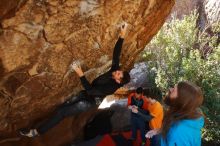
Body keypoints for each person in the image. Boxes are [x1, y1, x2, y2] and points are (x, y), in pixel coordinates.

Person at [20, 23, 131, 137]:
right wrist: (122, 35)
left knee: (62, 112)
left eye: (118, 74)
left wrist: (80, 74)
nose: (117, 71)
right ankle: (44, 125)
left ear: (118, 81)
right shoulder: (115, 71)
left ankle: (36, 132)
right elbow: (116, 54)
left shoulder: (110, 88)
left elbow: (91, 91)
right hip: (85, 94)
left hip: (89, 102)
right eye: (119, 71)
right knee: (62, 108)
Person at [146, 81, 204, 146]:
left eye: (173, 90)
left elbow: (177, 133)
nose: (170, 89)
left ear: (180, 100)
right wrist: (159, 130)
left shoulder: (178, 133)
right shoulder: (189, 113)